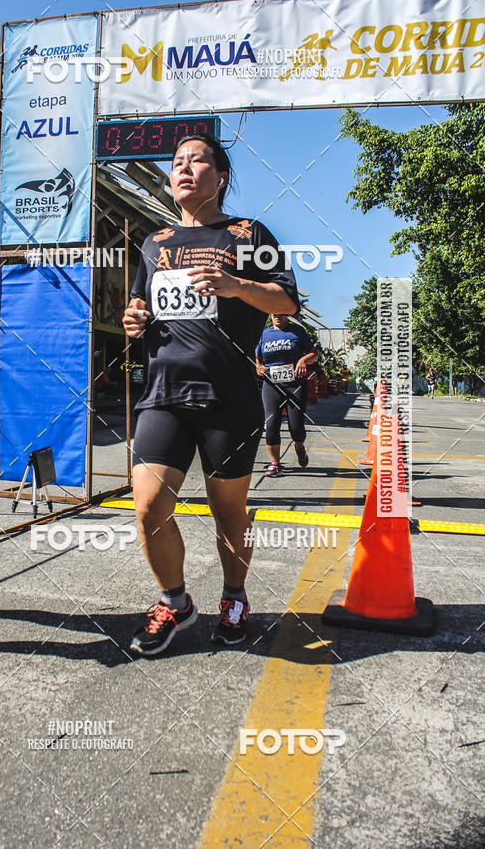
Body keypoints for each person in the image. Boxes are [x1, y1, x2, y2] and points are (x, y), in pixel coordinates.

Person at [122, 134, 299, 656]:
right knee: (149, 506)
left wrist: (238, 286)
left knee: (229, 512)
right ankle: (174, 601)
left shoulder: (248, 234)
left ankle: (234, 596)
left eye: (197, 160)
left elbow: (286, 300)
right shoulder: (154, 243)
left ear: (220, 176)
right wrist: (133, 319)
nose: (184, 168)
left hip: (229, 396)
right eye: (176, 162)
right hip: (162, 392)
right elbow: (137, 307)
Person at [255, 314, 317, 476]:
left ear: (287, 315)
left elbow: (313, 353)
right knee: (271, 424)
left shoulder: (297, 331)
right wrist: (259, 367)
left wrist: (303, 360)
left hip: (295, 386)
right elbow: (258, 357)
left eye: (280, 314)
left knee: (296, 428)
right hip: (271, 386)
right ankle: (275, 463)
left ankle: (299, 446)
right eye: (274, 314)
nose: (277, 317)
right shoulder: (264, 334)